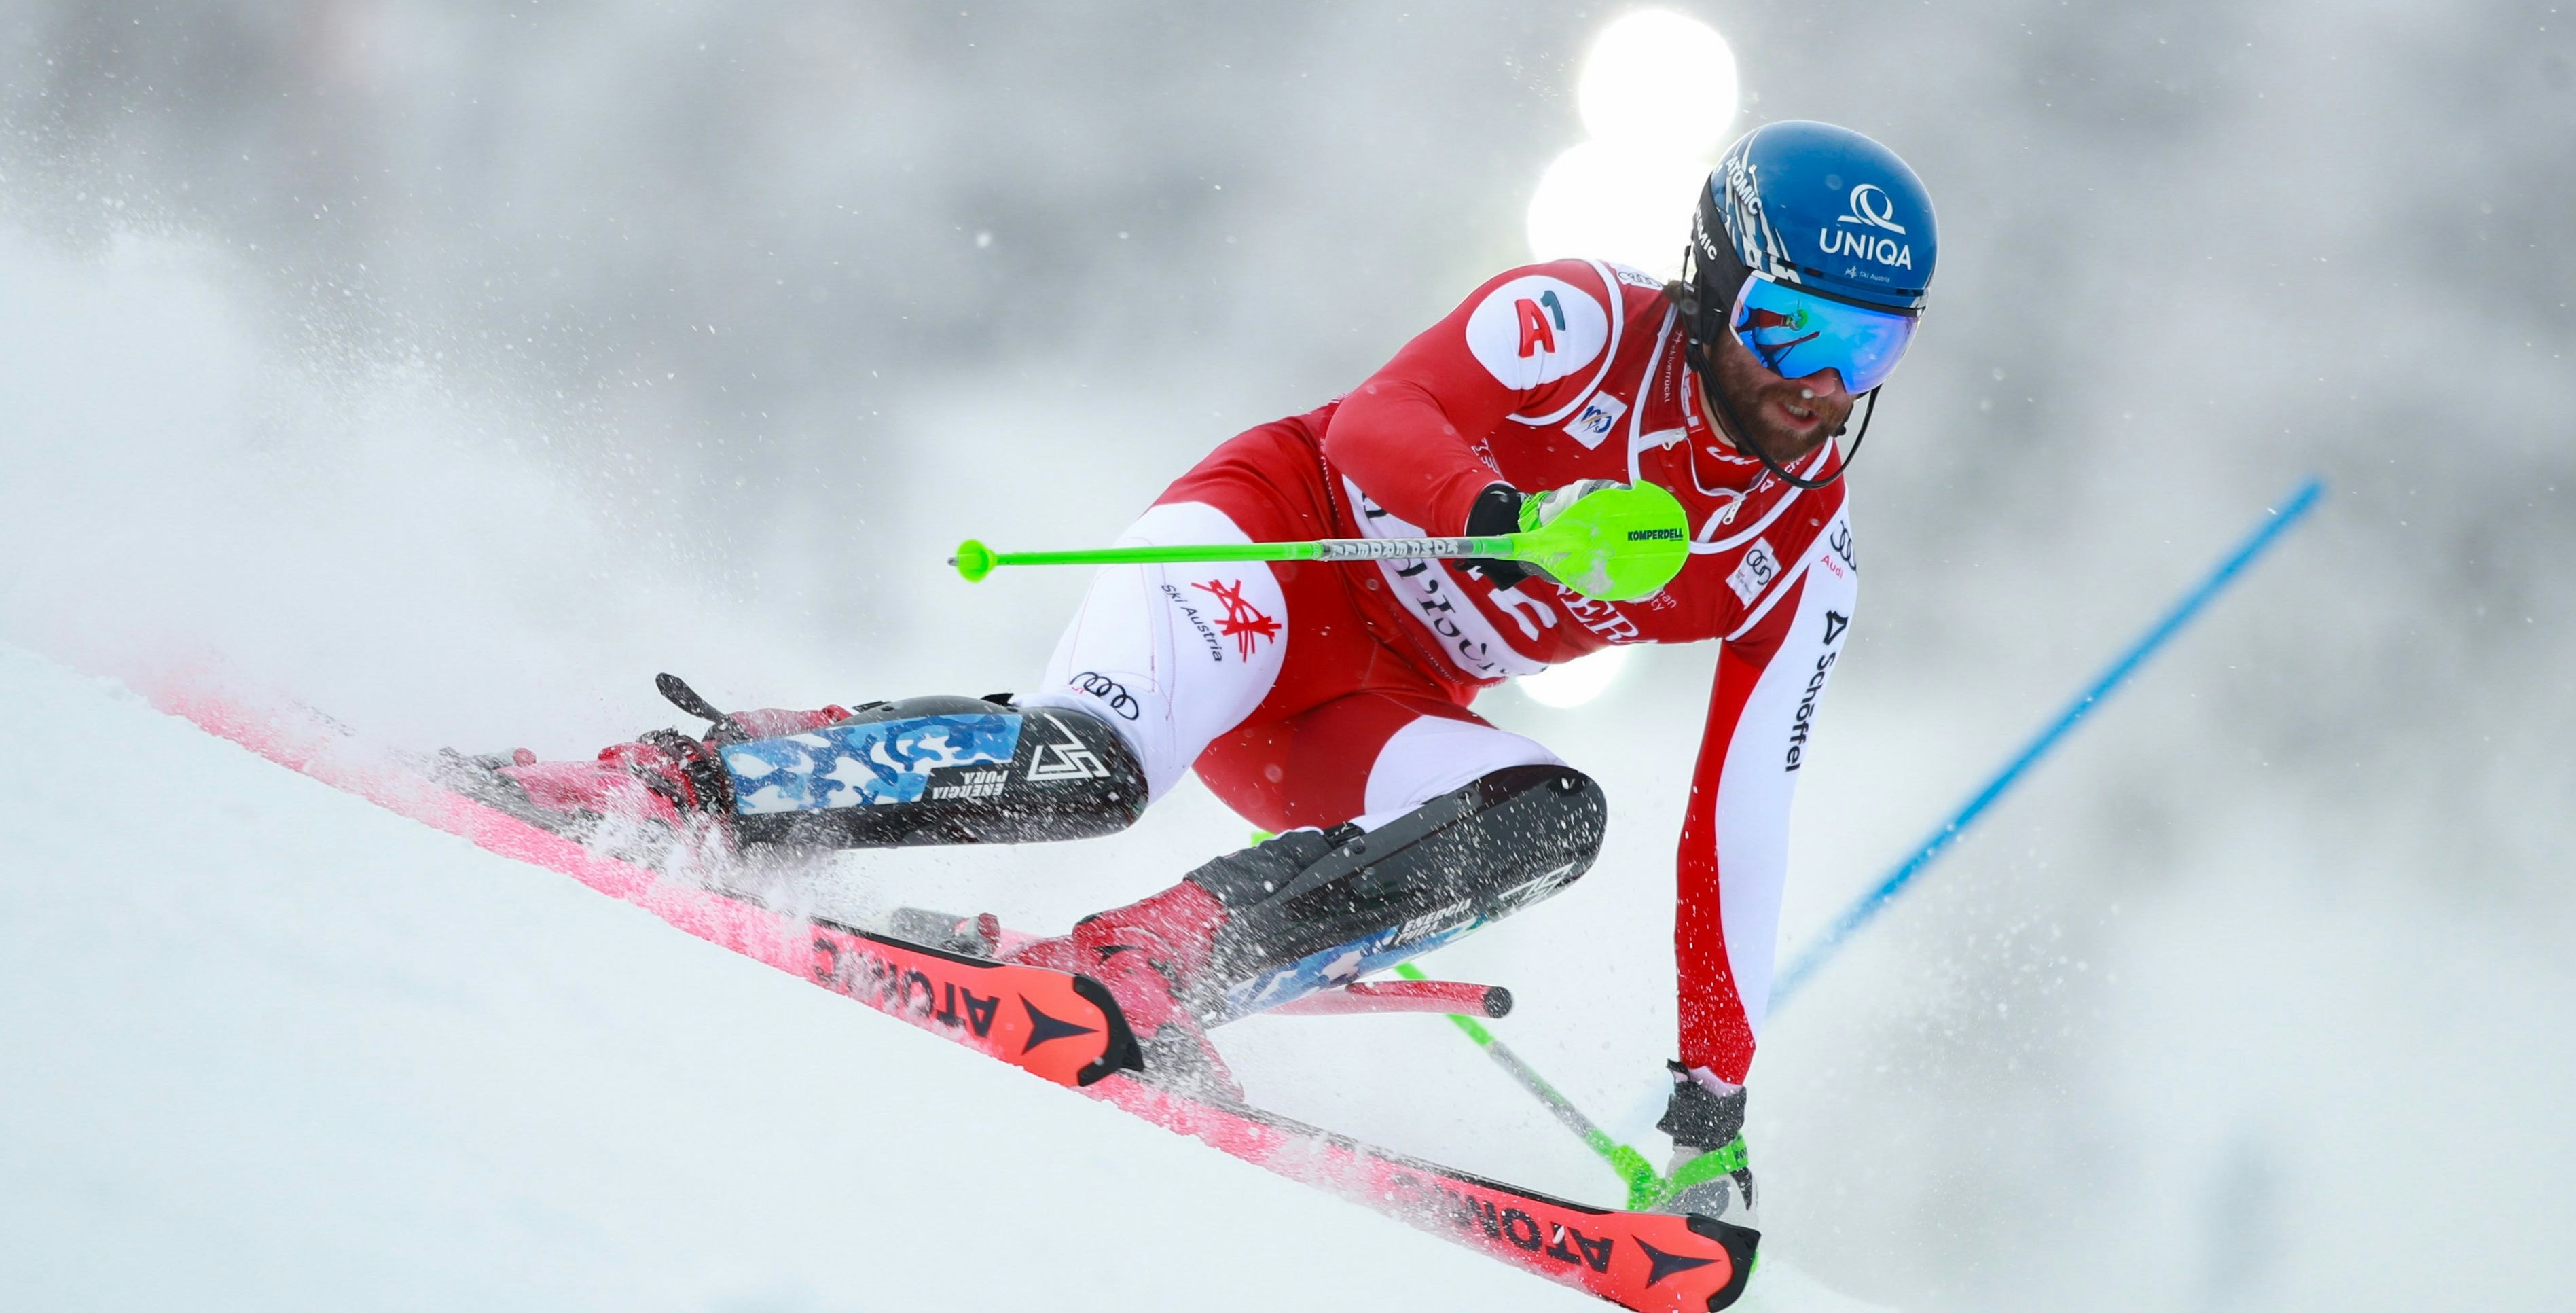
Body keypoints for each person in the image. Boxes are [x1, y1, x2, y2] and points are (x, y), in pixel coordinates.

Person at [594, 120, 1936, 1227]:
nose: (1816, 390)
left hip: (1363, 710)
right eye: (1790, 330)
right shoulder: (1578, 319)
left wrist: (1713, 1090)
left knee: (1556, 817)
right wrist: (1495, 520)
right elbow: (1378, 423)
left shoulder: (1803, 556)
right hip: (1270, 552)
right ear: (1712, 289)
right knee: (1086, 772)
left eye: (1866, 348)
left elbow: (1741, 813)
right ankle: (708, 779)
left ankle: (1154, 968)